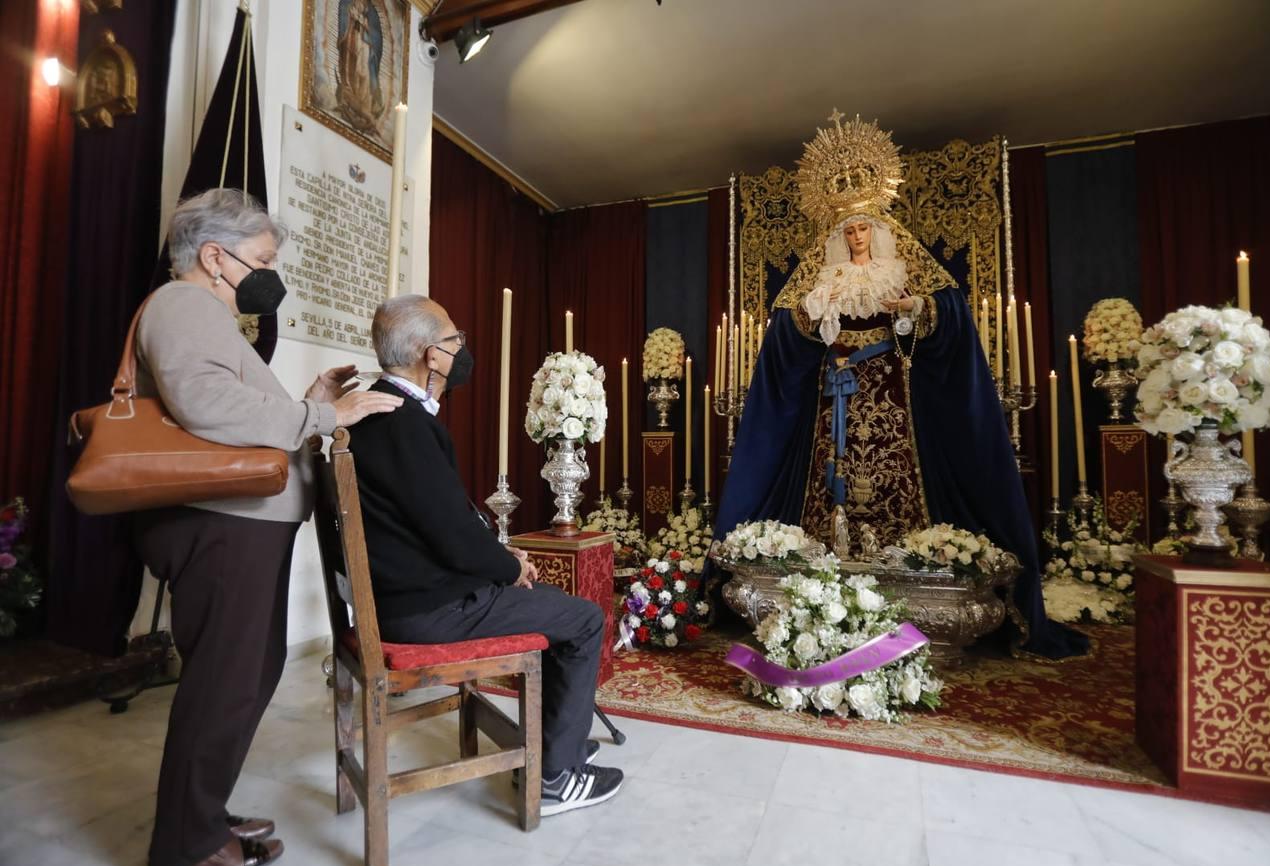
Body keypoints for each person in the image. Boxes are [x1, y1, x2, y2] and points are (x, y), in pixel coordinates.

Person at [715, 113, 1088, 660]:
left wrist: (915, 308)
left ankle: (905, 569)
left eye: (863, 227)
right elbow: (789, 328)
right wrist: (809, 318)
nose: (856, 236)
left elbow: (949, 310)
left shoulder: (901, 267)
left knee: (896, 469)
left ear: (878, 229)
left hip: (891, 391)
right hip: (835, 389)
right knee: (832, 471)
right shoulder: (825, 278)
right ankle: (826, 569)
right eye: (848, 231)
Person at [131, 188, 403, 866]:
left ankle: (206, 816)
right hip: (220, 525)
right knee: (224, 682)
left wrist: (308, 397)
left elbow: (232, 411)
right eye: (262, 259)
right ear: (213, 256)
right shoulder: (185, 304)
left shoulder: (208, 314)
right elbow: (205, 405)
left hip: (240, 524)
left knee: (244, 675)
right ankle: (184, 848)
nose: (267, 274)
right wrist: (320, 412)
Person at [346, 294, 623, 815]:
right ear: (431, 355)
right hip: (428, 609)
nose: (461, 349)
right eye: (456, 340)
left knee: (549, 602)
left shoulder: (375, 412)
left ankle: (553, 746)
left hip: (403, 595)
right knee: (584, 618)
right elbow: (451, 535)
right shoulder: (404, 423)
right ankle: (557, 778)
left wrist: (501, 560)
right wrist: (509, 564)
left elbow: (439, 518)